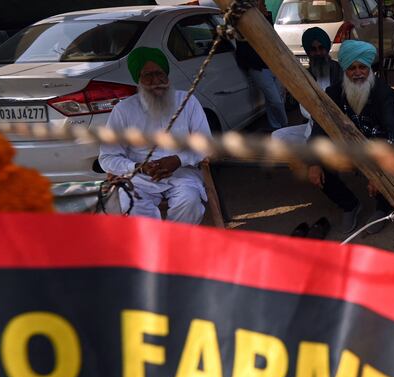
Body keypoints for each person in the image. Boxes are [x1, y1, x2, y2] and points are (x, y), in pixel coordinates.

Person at [99, 47, 209, 223]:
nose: (156, 81)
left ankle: (172, 245)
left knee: (189, 202)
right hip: (140, 179)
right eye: (148, 75)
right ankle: (152, 245)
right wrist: (138, 166)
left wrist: (178, 160)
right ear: (138, 80)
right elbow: (107, 157)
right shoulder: (123, 110)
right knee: (132, 204)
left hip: (182, 174)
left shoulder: (187, 101)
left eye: (159, 73)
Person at [306, 40, 394, 234]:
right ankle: (349, 205)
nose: (358, 72)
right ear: (345, 70)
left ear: (369, 68)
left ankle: (383, 208)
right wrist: (314, 162)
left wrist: (379, 173)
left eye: (362, 67)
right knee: (316, 164)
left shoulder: (384, 94)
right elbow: (320, 127)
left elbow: (393, 134)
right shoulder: (333, 93)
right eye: (352, 68)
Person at [272, 27, 342, 144]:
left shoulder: (339, 70)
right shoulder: (306, 75)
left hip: (338, 126)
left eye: (321, 48)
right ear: (308, 53)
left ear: (327, 48)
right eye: (313, 50)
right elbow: (304, 109)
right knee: (277, 135)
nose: (318, 53)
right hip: (313, 125)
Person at [235, 0, 288, 131]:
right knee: (276, 100)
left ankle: (275, 126)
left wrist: (265, 16)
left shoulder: (264, 18)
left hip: (272, 65)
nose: (264, 6)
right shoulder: (243, 23)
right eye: (262, 4)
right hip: (259, 68)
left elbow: (271, 37)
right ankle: (285, 124)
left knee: (275, 99)